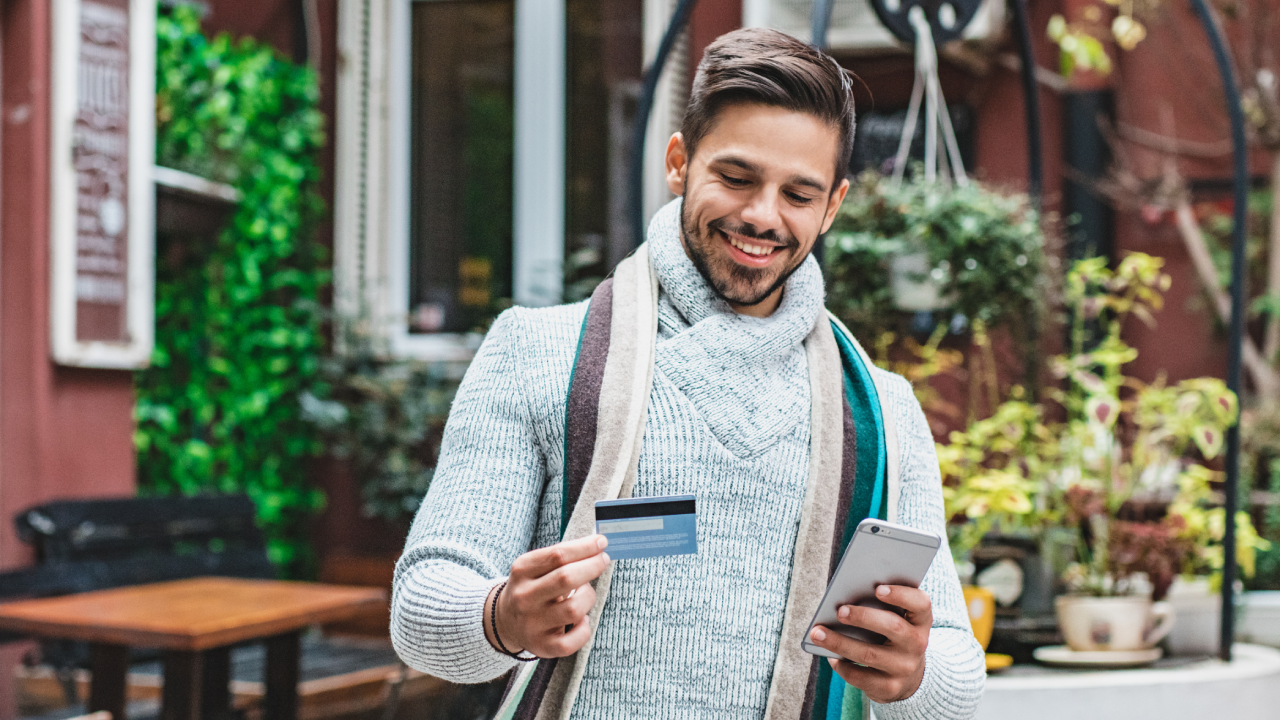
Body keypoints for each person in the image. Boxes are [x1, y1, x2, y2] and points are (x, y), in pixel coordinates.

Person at [391, 27, 985, 720]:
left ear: (833, 207)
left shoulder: (883, 411)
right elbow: (421, 611)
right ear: (679, 162)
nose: (763, 216)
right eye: (736, 178)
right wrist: (500, 618)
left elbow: (957, 683)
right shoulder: (537, 352)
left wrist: (911, 675)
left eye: (799, 194)